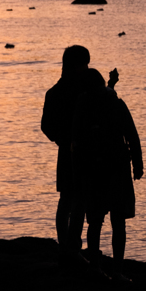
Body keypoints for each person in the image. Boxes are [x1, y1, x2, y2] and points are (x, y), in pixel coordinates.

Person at [71, 67, 144, 276]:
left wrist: (78, 174)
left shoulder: (82, 106)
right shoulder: (115, 103)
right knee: (117, 222)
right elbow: (132, 135)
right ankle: (117, 271)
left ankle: (95, 266)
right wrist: (137, 165)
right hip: (116, 169)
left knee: (95, 221)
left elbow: (75, 143)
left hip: (92, 170)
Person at [41, 45, 90, 252]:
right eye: (84, 64)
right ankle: (72, 246)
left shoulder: (54, 92)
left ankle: (67, 244)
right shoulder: (80, 92)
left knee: (68, 200)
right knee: (76, 201)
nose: (87, 69)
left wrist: (61, 141)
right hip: (79, 152)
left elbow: (46, 126)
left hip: (67, 151)